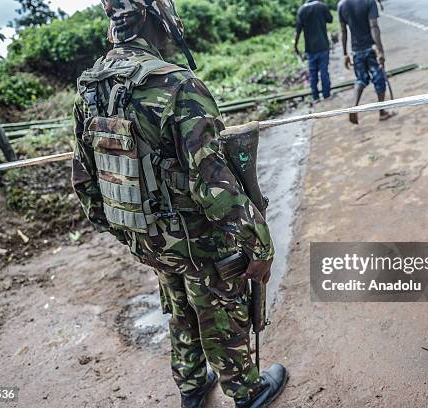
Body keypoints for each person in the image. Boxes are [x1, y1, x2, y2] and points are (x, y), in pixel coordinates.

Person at [72, 1, 288, 407]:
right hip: (197, 237)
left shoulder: (90, 85)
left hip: (148, 234)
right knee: (218, 308)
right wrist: (258, 244)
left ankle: (191, 386)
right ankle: (247, 391)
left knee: (177, 304)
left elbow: (85, 178)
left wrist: (130, 230)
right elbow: (212, 180)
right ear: (158, 20)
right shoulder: (176, 84)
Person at [338, 0, 395, 124]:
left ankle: (354, 106)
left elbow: (343, 31)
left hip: (356, 50)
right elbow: (373, 26)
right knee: (379, 79)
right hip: (371, 49)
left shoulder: (342, 5)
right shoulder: (369, 1)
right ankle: (382, 112)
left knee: (361, 79)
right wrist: (380, 51)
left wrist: (345, 54)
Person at [294, 0, 334, 101]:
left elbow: (298, 31)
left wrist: (295, 45)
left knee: (313, 73)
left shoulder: (301, 10)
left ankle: (315, 96)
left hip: (310, 48)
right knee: (324, 71)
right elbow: (330, 19)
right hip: (323, 45)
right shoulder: (321, 6)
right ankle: (326, 94)